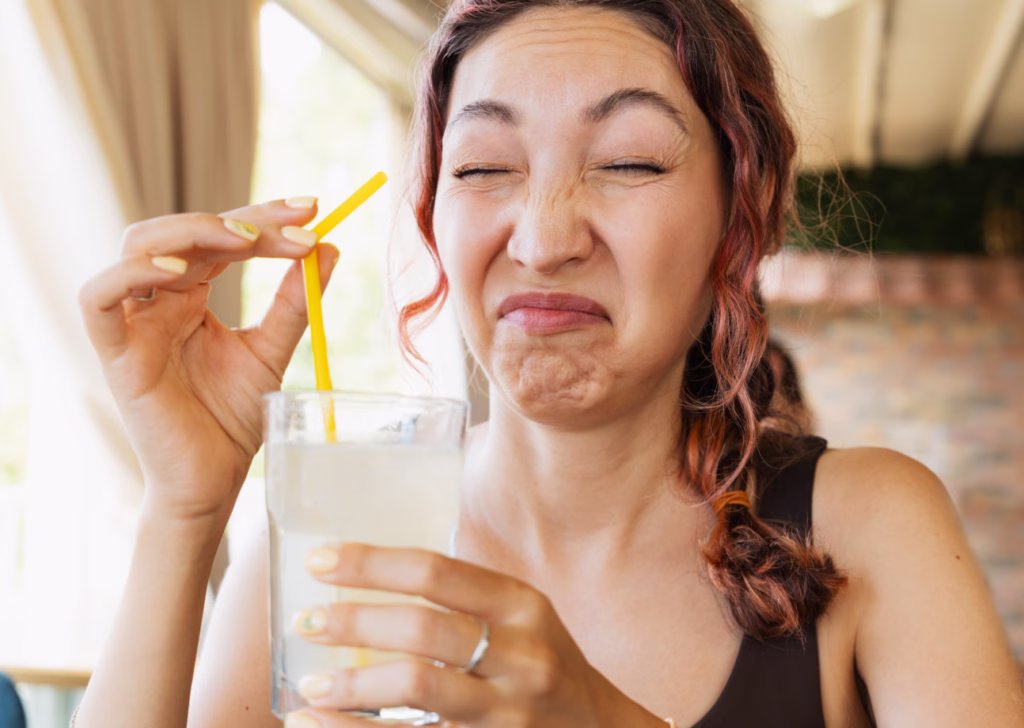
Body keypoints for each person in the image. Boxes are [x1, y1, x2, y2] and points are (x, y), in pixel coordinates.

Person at [74, 1, 1024, 726]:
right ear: (433, 218)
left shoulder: (870, 525)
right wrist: (184, 508)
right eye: (485, 166)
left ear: (738, 226)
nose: (544, 236)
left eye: (631, 162)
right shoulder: (333, 537)